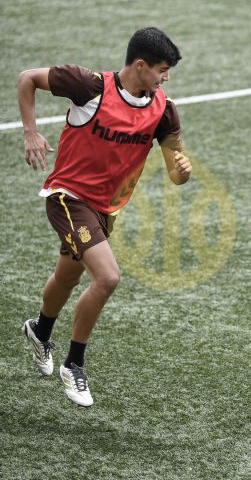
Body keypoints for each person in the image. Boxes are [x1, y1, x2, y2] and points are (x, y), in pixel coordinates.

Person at [19, 27, 192, 407]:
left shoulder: (162, 108)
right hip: (68, 198)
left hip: (104, 210)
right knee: (108, 277)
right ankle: (74, 364)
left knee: (67, 276)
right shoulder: (89, 85)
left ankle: (40, 329)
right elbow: (27, 79)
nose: (166, 78)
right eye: (162, 70)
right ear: (140, 65)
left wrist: (183, 168)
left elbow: (177, 174)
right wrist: (31, 133)